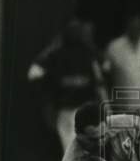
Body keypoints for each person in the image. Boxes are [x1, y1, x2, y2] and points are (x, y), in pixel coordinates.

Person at [27, 17, 107, 153]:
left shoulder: (88, 53)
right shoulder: (57, 53)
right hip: (66, 110)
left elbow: (103, 73)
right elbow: (34, 74)